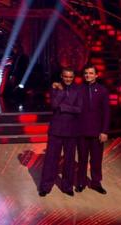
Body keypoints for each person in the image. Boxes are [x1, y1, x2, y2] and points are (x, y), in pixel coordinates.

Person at [38, 68, 82, 197]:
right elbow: (53, 104)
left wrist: (63, 107)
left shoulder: (77, 90)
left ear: (73, 77)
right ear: (61, 76)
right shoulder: (55, 88)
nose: (68, 79)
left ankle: (67, 186)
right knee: (51, 159)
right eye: (66, 77)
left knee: (69, 160)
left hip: (71, 130)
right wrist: (61, 92)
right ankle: (45, 186)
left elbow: (79, 109)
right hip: (56, 130)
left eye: (70, 77)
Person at [75, 64, 110, 194]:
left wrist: (104, 131)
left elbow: (106, 112)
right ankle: (81, 182)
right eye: (86, 73)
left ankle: (96, 183)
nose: (88, 75)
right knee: (82, 159)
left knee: (96, 159)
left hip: (97, 132)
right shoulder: (78, 89)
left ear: (96, 75)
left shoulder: (102, 90)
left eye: (90, 73)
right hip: (81, 131)